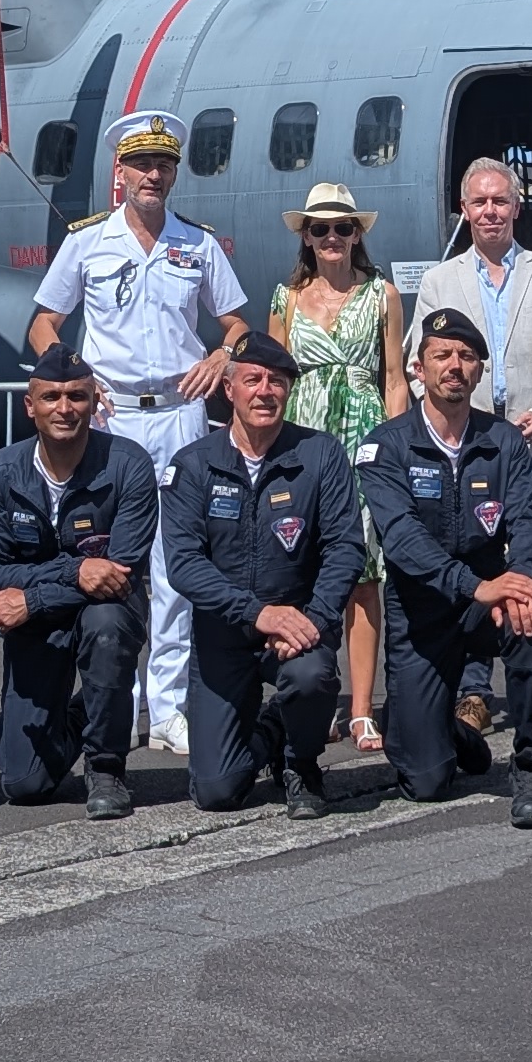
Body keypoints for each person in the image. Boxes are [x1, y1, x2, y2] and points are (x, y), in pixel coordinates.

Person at [27, 110, 250, 757]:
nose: (153, 175)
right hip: (113, 415)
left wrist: (223, 356)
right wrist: (75, 376)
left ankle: (170, 707)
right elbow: (45, 323)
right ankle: (115, 705)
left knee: (175, 564)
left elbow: (236, 321)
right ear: (118, 173)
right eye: (142, 164)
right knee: (116, 560)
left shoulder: (197, 244)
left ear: (174, 172)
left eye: (164, 164)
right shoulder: (88, 241)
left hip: (179, 412)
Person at [358, 308, 532, 826]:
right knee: (423, 781)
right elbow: (402, 540)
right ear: (418, 369)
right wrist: (477, 587)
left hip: (492, 598)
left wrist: (521, 584)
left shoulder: (506, 441)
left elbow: (528, 522)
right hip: (425, 609)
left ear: (478, 371)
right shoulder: (386, 445)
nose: (455, 365)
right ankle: (443, 732)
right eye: (442, 355)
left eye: (467, 356)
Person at [159, 330, 365, 815]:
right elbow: (184, 565)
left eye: (277, 382)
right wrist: (258, 614)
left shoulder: (321, 454)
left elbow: (345, 548)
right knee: (217, 792)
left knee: (311, 676)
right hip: (226, 635)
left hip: (300, 628)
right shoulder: (193, 465)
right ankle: (272, 730)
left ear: (288, 391)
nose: (265, 391)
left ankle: (301, 763)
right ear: (229, 390)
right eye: (252, 380)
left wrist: (312, 619)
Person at [0, 344, 154, 820]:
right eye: (51, 397)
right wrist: (73, 572)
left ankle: (106, 766)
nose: (65, 408)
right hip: (40, 621)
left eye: (77, 396)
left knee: (107, 625)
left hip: (106, 610)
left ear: (95, 402)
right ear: (29, 406)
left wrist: (29, 595)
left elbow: (122, 570)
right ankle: (84, 711)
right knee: (24, 783)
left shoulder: (128, 464)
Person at [273, 181, 404, 754]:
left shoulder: (384, 294)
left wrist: (393, 448)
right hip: (303, 437)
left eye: (342, 228)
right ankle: (315, 698)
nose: (331, 237)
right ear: (305, 235)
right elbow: (273, 379)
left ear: (357, 235)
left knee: (363, 574)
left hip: (363, 435)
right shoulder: (285, 298)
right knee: (305, 567)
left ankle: (360, 708)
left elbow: (395, 377)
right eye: (319, 228)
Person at [411, 158, 532, 452]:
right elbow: (418, 367)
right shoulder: (438, 282)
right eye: (479, 202)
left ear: (517, 207)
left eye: (500, 201)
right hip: (462, 445)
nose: (490, 211)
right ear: (465, 209)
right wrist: (446, 420)